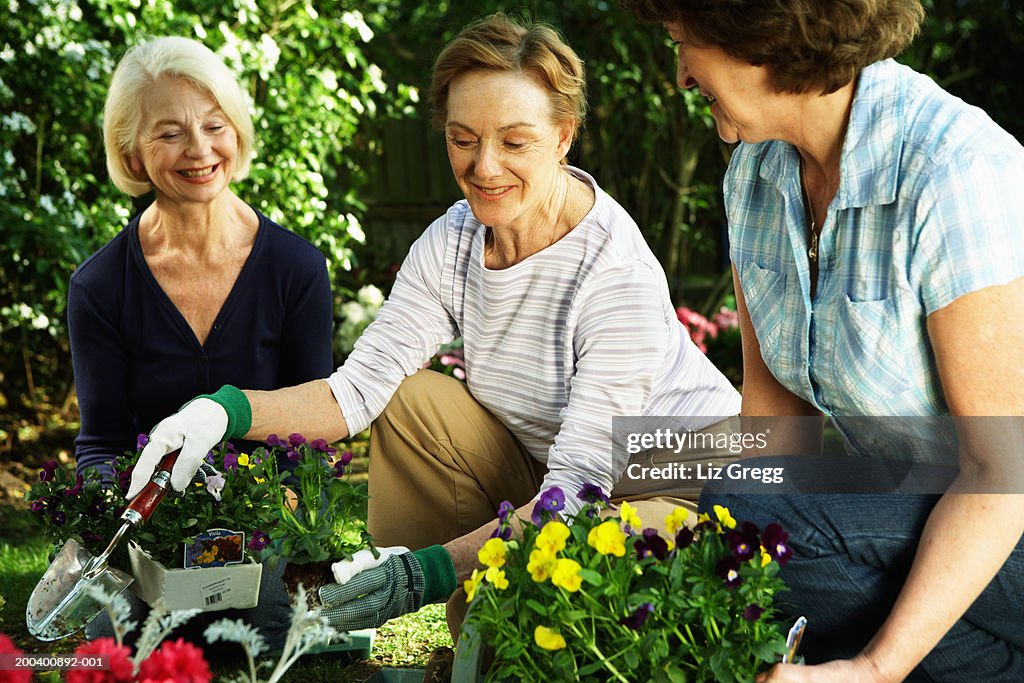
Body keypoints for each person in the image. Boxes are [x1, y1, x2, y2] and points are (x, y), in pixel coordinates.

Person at [126, 13, 742, 639]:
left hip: (685, 477)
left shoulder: (614, 272)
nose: (485, 166)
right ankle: (475, 620)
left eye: (515, 142)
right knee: (412, 401)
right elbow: (356, 393)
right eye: (463, 138)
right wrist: (223, 412)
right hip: (560, 469)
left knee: (604, 600)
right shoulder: (452, 242)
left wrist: (424, 572)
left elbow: (578, 493)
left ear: (563, 136)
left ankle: (473, 605)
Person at [623, 1, 1024, 681]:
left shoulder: (954, 169)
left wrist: (872, 666)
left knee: (758, 516)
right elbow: (779, 436)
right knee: (719, 502)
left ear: (763, 37)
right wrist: (654, 495)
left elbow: (1002, 473)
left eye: (682, 41)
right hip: (919, 512)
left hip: (1004, 511)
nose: (682, 75)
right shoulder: (754, 179)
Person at [70, 36, 334, 654]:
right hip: (151, 534)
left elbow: (316, 426)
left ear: (237, 132)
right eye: (169, 134)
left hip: (265, 529)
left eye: (215, 126)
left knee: (254, 640)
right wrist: (136, 528)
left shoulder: (296, 268)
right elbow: (103, 444)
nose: (199, 150)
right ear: (130, 152)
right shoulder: (100, 285)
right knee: (113, 643)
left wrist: (273, 521)